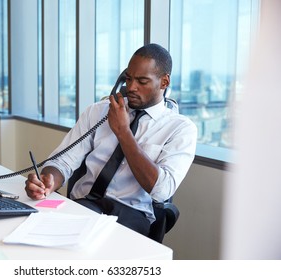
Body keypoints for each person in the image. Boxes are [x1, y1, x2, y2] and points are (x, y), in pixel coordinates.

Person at [25, 43, 197, 237]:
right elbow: (62, 160)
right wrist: (49, 180)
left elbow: (162, 190)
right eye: (128, 79)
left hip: (133, 214)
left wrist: (123, 132)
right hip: (87, 204)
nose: (131, 87)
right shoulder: (98, 112)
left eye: (142, 81)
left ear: (164, 82)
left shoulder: (181, 128)